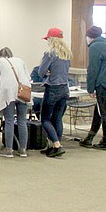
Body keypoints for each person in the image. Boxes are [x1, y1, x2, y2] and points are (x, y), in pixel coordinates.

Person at [38, 28, 72, 157]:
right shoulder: (67, 53)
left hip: (53, 88)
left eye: (48, 39)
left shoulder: (50, 53)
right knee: (57, 118)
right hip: (65, 88)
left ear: (51, 39)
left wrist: (47, 72)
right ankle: (54, 146)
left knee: (45, 118)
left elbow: (40, 72)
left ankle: (57, 145)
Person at [0, 47, 31, 158]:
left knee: (9, 120)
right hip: (23, 91)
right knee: (22, 121)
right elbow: (28, 77)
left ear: (0, 55)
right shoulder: (20, 60)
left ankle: (9, 150)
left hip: (8, 93)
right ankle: (23, 150)